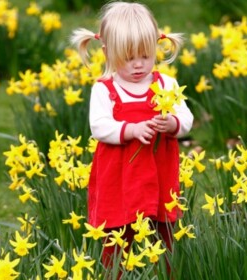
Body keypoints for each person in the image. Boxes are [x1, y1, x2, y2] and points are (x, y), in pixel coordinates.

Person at [70, 0, 194, 273]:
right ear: (107, 52)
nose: (138, 65)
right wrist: (131, 129)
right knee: (116, 231)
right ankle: (114, 273)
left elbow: (186, 121)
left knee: (165, 231)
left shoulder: (167, 85)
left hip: (159, 173)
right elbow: (99, 127)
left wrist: (171, 124)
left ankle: (168, 273)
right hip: (118, 177)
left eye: (145, 56)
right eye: (128, 57)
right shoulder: (104, 89)